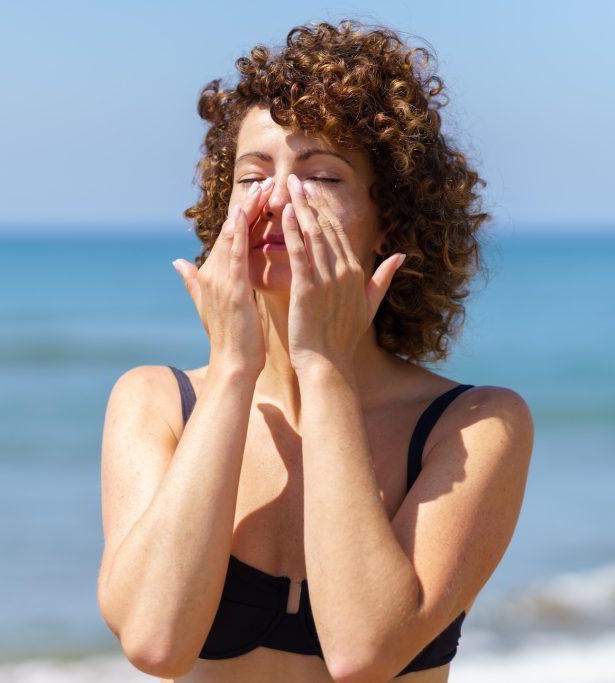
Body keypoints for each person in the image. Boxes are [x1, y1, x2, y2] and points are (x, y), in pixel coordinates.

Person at [96, 18, 533, 683]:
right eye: (251, 176)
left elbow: (365, 649)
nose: (276, 200)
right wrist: (234, 370)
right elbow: (156, 643)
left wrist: (322, 368)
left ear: (389, 218)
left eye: (321, 176)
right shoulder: (156, 402)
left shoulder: (476, 424)